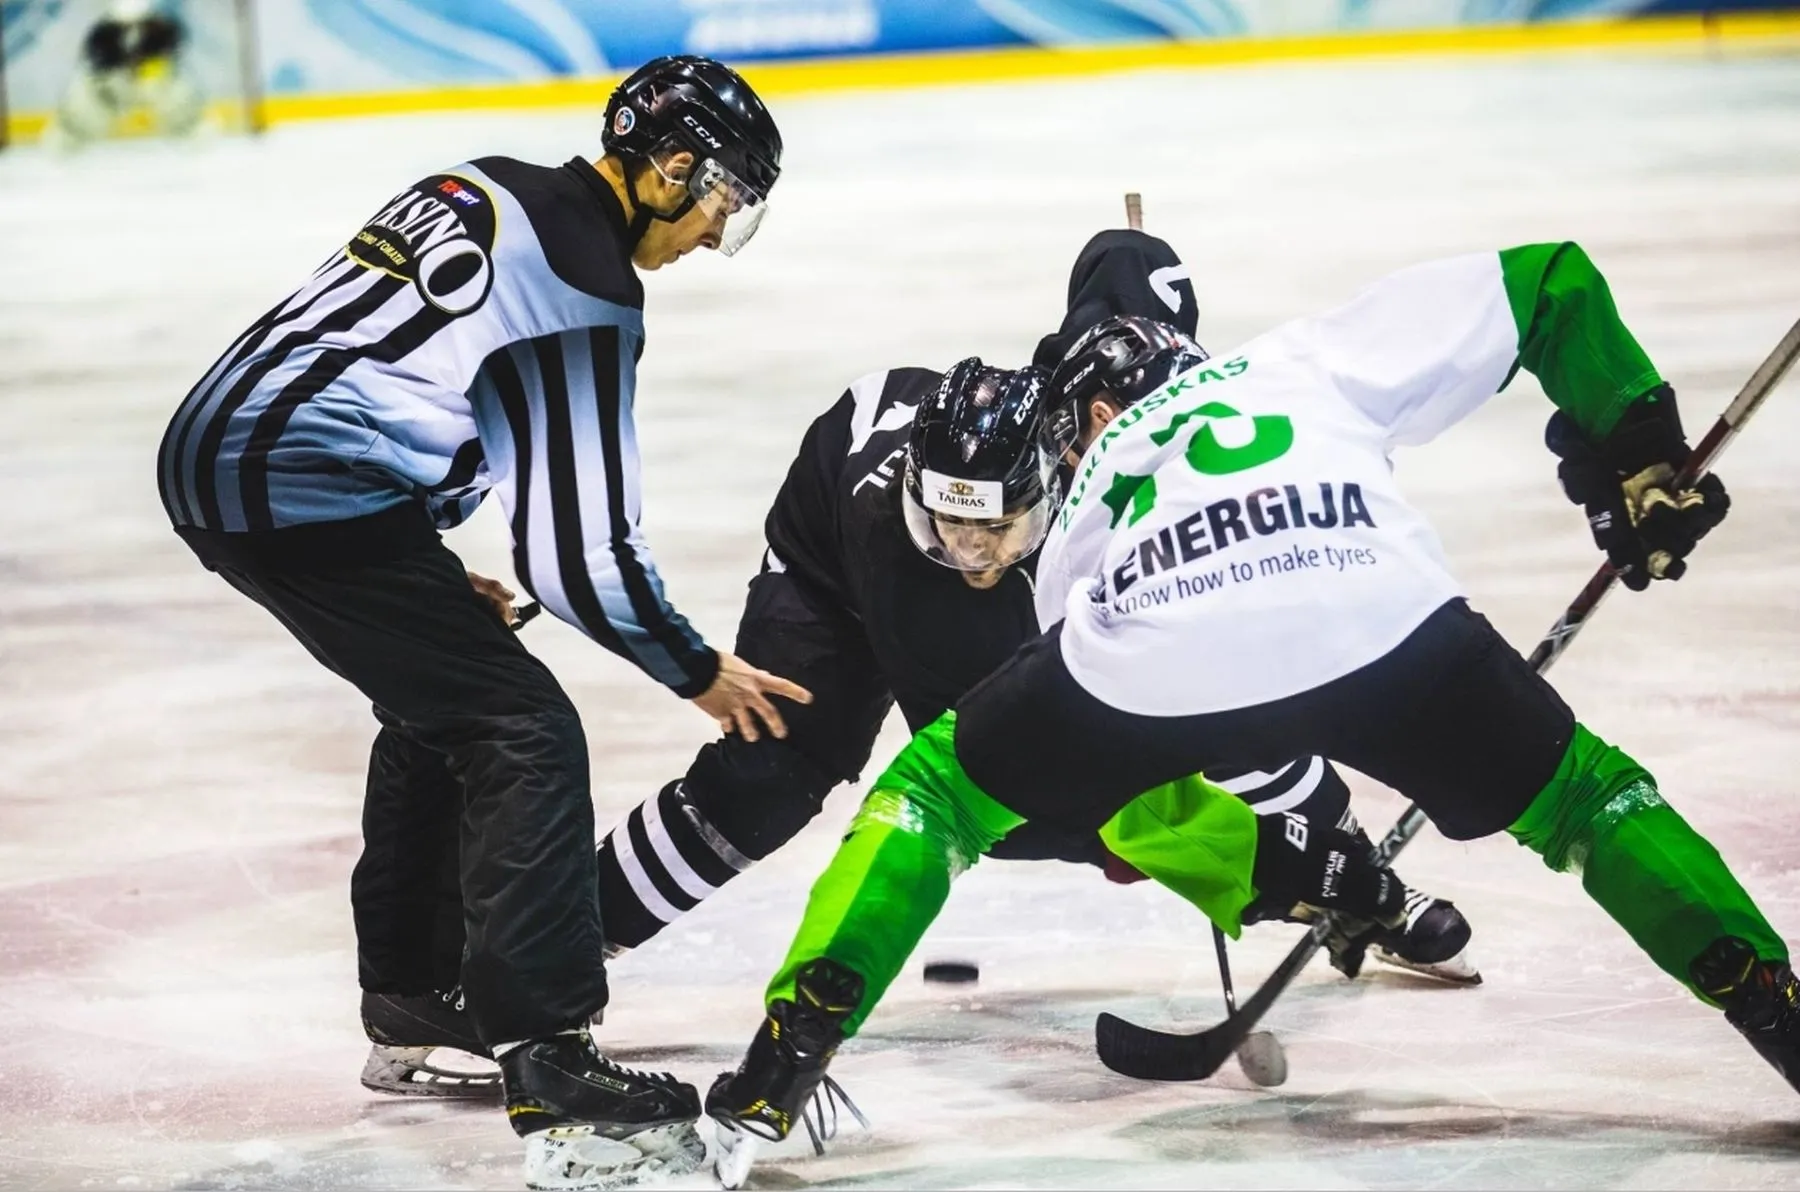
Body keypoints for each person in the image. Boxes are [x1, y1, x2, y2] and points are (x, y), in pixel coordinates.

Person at [704, 241, 1792, 1180]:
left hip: (1163, 659)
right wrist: (1640, 452)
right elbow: (1547, 282)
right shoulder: (1299, 361)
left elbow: (1141, 763)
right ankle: (1770, 1002)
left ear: (1086, 413)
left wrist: (1265, 849)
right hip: (1383, 620)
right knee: (1588, 801)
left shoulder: (1079, 493)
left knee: (934, 796)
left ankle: (781, 1063)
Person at [155, 54, 805, 1187]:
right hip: (289, 486)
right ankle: (548, 1051)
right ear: (669, 168)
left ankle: (413, 996)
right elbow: (577, 554)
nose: (713, 234)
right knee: (523, 729)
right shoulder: (582, 287)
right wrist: (696, 666)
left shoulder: (495, 183)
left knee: (450, 690)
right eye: (720, 200)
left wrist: (412, 553)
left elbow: (386, 366)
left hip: (241, 456)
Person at [588, 228, 1474, 984]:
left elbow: (1122, 267)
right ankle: (559, 950)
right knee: (773, 775)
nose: (970, 556)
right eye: (950, 531)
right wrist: (1198, 854)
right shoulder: (924, 576)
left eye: (997, 536)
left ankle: (1367, 881)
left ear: (1054, 473)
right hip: (828, 566)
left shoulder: (1086, 437)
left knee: (1225, 695)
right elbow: (994, 796)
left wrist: (1146, 298)